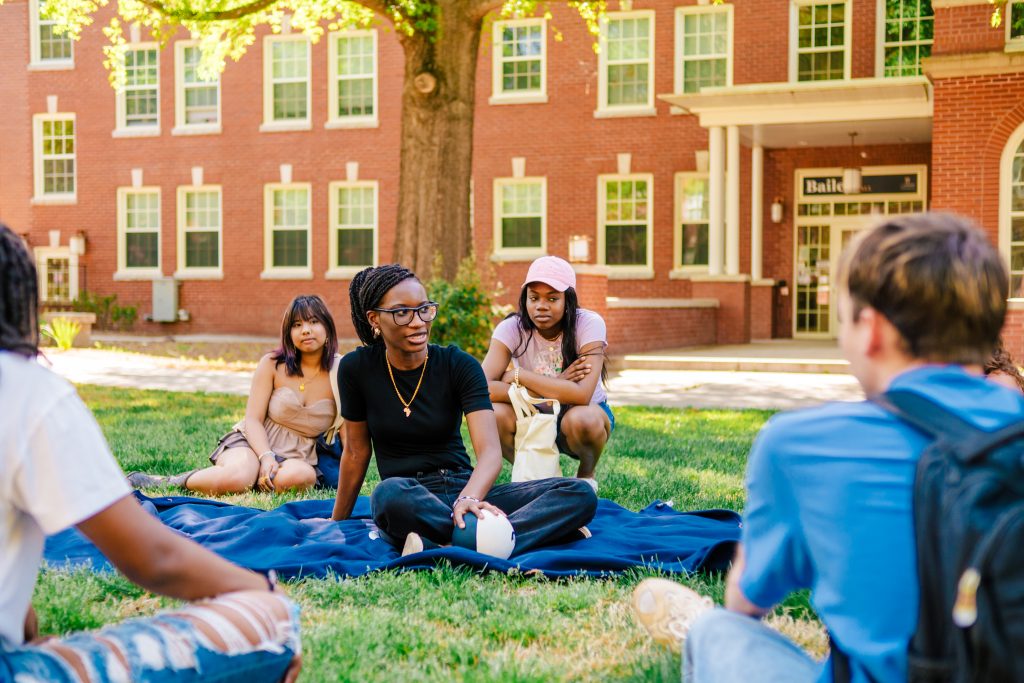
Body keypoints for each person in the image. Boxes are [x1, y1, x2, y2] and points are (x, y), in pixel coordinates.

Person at [630, 213, 1024, 682]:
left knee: (719, 630)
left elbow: (748, 600)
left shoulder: (799, 444)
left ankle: (695, 627)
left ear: (871, 329)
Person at [0, 224, 302, 682]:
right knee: (265, 619)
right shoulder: (26, 390)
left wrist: (22, 630)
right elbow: (152, 558)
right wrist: (266, 591)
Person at [330, 263, 598, 556]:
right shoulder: (356, 369)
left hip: (467, 487)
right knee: (385, 496)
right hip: (411, 494)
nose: (418, 322)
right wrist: (336, 523)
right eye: (401, 312)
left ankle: (443, 544)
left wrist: (468, 497)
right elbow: (355, 453)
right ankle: (504, 537)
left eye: (424, 309)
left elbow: (490, 454)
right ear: (374, 319)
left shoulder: (458, 365)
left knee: (578, 493)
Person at [129, 295, 341, 494]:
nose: (305, 330)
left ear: (328, 328)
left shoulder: (340, 372)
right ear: (288, 333)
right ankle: (169, 481)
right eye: (297, 325)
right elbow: (253, 419)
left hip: (298, 456)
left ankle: (256, 479)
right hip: (253, 443)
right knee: (238, 477)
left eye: (313, 322)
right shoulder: (272, 365)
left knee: (302, 476)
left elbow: (350, 435)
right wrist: (266, 457)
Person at [481, 256, 612, 490]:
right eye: (534, 298)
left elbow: (581, 396)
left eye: (552, 298)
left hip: (578, 413)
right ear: (525, 298)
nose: (541, 305)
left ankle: (585, 478)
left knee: (585, 419)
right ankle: (538, 476)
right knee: (493, 414)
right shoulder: (512, 328)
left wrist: (521, 377)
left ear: (568, 300)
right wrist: (559, 384)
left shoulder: (589, 324)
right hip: (533, 413)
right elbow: (482, 388)